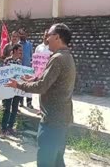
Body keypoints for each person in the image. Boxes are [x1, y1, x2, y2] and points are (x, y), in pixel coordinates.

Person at [6, 23, 76, 167]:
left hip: (52, 120)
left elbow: (42, 86)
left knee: (45, 161)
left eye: (48, 35)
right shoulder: (66, 56)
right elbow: (49, 78)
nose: (46, 38)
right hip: (62, 118)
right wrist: (33, 79)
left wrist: (18, 85)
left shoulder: (57, 59)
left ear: (56, 37)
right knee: (57, 161)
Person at [1, 44, 23, 138]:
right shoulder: (7, 60)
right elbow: (4, 73)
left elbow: (21, 74)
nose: (21, 53)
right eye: (19, 51)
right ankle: (4, 128)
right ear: (14, 50)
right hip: (9, 87)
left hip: (16, 88)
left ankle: (10, 127)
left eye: (21, 51)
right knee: (7, 108)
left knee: (15, 108)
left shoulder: (19, 62)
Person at [18, 28, 33, 109]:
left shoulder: (29, 45)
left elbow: (31, 56)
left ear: (26, 35)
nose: (22, 36)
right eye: (21, 34)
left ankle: (29, 102)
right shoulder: (17, 45)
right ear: (19, 35)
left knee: (29, 86)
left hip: (28, 69)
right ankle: (21, 102)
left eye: (24, 34)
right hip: (19, 69)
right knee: (21, 86)